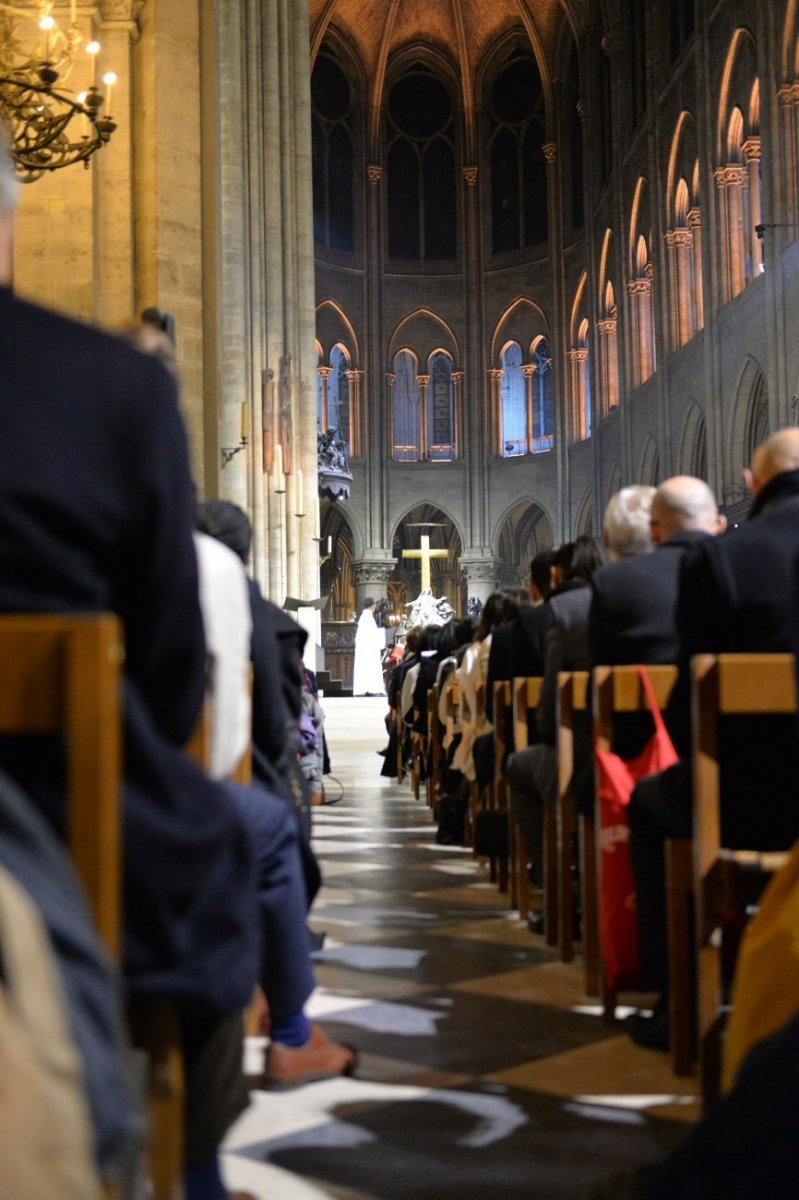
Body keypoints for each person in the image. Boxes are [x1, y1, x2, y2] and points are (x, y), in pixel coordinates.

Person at [0, 131, 260, 1200]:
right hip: (53, 821)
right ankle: (180, 1171)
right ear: (10, 225)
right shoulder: (110, 389)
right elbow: (164, 677)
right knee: (222, 856)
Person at [627, 431, 799, 1049]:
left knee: (650, 803)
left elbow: (684, 716)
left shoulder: (723, 559)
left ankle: (679, 1001)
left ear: (753, 488)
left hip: (755, 807)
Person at [352, 598, 386, 695]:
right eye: (374, 605)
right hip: (368, 650)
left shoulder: (365, 617)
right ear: (372, 605)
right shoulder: (367, 617)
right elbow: (372, 635)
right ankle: (372, 689)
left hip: (367, 649)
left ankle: (369, 688)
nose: (375, 606)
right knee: (369, 668)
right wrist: (381, 633)